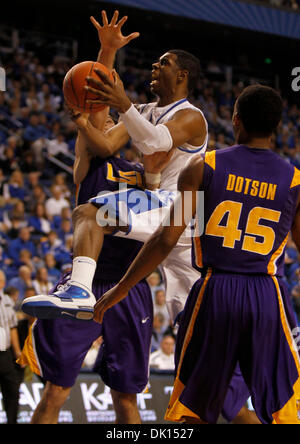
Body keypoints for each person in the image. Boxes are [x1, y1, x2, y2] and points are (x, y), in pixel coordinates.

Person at [22, 9, 258, 425]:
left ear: (182, 74)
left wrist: (124, 107)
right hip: (147, 247)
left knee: (90, 212)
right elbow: (104, 124)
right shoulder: (134, 121)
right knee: (195, 333)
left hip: (181, 215)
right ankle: (81, 289)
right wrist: (106, 54)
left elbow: (156, 141)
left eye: (161, 63)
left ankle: (80, 290)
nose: (153, 68)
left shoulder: (190, 116)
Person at [91, 84, 300, 424]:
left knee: (192, 408)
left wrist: (123, 287)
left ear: (235, 120)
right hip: (266, 293)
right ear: (277, 126)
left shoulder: (204, 166)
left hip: (215, 290)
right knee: (281, 408)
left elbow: (164, 239)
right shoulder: (294, 179)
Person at [18, 11, 154, 425]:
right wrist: (107, 53)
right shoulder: (88, 155)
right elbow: (96, 108)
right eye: (101, 114)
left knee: (126, 398)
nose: (107, 118)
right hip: (87, 281)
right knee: (56, 391)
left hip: (130, 283)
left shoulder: (144, 167)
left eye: (115, 117)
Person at [0, 270, 24, 424]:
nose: (1, 281)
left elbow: (13, 328)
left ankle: (12, 421)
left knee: (13, 391)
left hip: (5, 354)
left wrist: (17, 353)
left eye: (1, 279)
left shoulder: (7, 301)